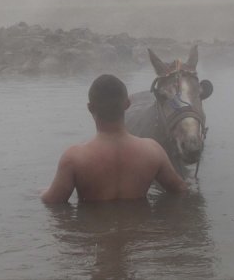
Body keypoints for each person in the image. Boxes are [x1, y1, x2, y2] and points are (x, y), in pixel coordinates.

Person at [40, 74, 188, 203]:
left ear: (90, 108)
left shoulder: (74, 158)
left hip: (93, 226)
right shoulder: (153, 150)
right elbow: (180, 190)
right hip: (139, 227)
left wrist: (41, 192)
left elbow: (53, 201)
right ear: (127, 104)